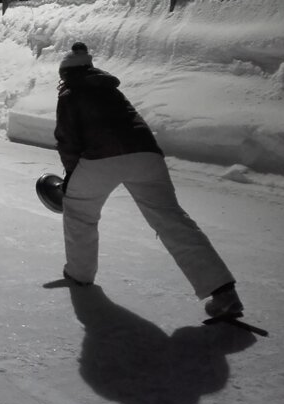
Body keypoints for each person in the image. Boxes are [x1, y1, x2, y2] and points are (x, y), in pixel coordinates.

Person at [54, 42, 243, 318]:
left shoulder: (70, 93)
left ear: (66, 74)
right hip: (146, 155)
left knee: (80, 211)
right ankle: (224, 292)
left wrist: (71, 178)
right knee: (172, 219)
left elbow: (67, 141)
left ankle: (79, 275)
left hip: (101, 158)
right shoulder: (111, 90)